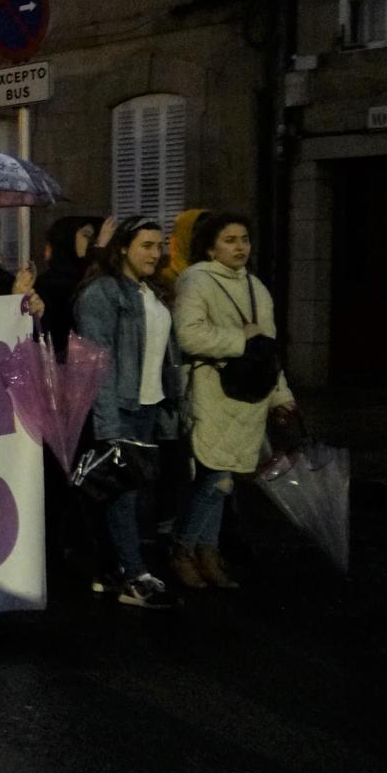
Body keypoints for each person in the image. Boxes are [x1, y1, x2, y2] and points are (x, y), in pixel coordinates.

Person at [171, 212, 295, 589]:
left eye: (244, 239)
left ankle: (207, 553)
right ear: (210, 247)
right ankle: (183, 549)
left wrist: (281, 396)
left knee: (223, 481)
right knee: (215, 478)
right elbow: (189, 335)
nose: (240, 246)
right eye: (229, 240)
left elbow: (267, 351)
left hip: (249, 396)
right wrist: (241, 339)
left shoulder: (257, 286)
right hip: (213, 392)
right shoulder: (196, 279)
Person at [72, 217, 181, 609]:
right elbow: (95, 361)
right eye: (146, 246)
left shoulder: (150, 291)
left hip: (147, 405)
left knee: (127, 492)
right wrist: (107, 422)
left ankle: (117, 568)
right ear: (122, 248)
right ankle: (134, 574)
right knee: (122, 492)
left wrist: (171, 403)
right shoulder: (103, 293)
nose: (156, 253)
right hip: (119, 405)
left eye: (159, 246)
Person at [36, 216, 104, 356]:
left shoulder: (90, 277)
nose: (91, 243)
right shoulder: (49, 283)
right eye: (86, 236)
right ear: (66, 238)